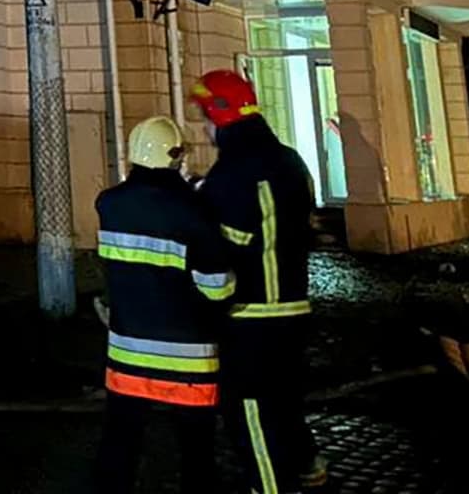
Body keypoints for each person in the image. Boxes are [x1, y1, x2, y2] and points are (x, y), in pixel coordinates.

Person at [191, 69, 327, 493]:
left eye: (205, 117)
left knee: (248, 410)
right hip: (294, 306)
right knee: (284, 400)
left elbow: (221, 248)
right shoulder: (290, 160)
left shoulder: (231, 173)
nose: (203, 127)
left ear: (220, 115)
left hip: (252, 313)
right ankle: (307, 464)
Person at [94, 115, 235, 494]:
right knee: (197, 455)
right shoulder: (194, 211)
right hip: (189, 359)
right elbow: (217, 287)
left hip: (128, 353)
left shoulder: (109, 204)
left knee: (119, 447)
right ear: (177, 157)